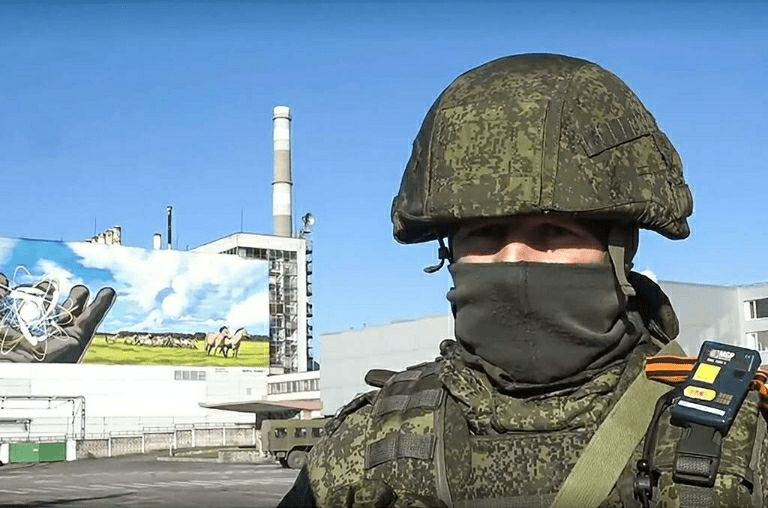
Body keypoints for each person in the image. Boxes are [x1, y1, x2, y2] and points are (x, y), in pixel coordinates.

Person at [279, 53, 768, 507]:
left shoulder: (743, 435)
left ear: (621, 249)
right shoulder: (364, 444)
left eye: (553, 232)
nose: (515, 259)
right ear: (449, 252)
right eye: (486, 234)